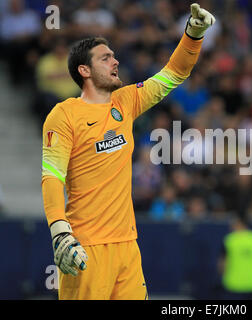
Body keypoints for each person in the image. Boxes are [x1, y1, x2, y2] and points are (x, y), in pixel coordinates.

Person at [41, 3, 215, 300]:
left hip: (127, 246)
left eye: (114, 56)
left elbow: (173, 74)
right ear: (84, 70)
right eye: (105, 58)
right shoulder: (64, 114)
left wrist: (193, 35)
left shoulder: (125, 102)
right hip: (86, 248)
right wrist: (60, 231)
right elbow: (52, 176)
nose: (115, 61)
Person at [217, 217, 252, 299]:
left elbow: (223, 262)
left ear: (241, 225)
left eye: (234, 224)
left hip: (233, 283)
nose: (231, 226)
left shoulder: (230, 240)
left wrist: (221, 274)